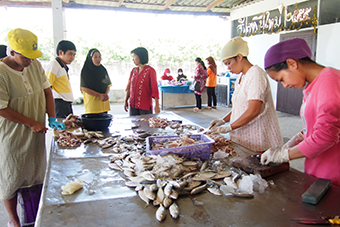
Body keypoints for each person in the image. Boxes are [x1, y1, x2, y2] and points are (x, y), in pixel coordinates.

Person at [0, 28, 65, 227]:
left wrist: (51, 117)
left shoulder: (34, 65)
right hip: (13, 134)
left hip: (36, 131)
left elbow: (47, 92)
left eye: (32, 57)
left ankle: (34, 214)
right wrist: (30, 123)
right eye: (26, 57)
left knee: (36, 172)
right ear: (12, 53)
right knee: (12, 176)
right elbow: (1, 108)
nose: (30, 61)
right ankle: (14, 219)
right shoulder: (1, 73)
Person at [260, 38, 340, 186]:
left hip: (333, 172)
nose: (284, 85)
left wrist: (284, 155)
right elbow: (317, 126)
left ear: (292, 63)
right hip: (317, 167)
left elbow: (325, 137)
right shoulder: (313, 86)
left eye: (282, 79)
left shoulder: (330, 81)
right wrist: (296, 140)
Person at [208, 37, 283, 152]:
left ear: (239, 57)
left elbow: (254, 110)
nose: (228, 67)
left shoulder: (255, 74)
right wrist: (223, 120)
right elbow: (240, 107)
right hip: (241, 136)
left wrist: (229, 127)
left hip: (256, 136)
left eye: (229, 63)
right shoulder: (241, 76)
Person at [124, 47, 160, 116]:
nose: (133, 59)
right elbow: (129, 87)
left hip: (145, 106)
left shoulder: (150, 71)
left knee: (145, 125)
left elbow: (154, 88)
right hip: (133, 105)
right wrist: (126, 100)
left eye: (134, 57)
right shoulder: (133, 71)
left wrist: (157, 105)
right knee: (134, 125)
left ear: (140, 57)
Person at [45, 40, 76, 118]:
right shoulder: (54, 65)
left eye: (74, 55)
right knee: (60, 129)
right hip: (59, 104)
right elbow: (47, 86)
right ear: (61, 52)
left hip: (66, 103)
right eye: (70, 54)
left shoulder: (62, 66)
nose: (72, 58)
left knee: (69, 127)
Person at [80, 48, 112, 114]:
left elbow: (108, 84)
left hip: (103, 105)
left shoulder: (103, 69)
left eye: (100, 56)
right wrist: (99, 95)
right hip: (92, 106)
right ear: (90, 58)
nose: (98, 59)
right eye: (95, 57)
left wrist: (105, 94)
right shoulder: (85, 71)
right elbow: (84, 88)